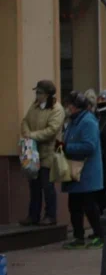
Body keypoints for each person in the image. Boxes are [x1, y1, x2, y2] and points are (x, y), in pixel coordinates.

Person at [59, 91, 104, 249]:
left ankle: (100, 234)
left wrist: (67, 148)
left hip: (86, 172)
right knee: (75, 206)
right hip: (76, 171)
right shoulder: (74, 121)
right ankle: (79, 237)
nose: (66, 108)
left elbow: (89, 146)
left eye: (68, 105)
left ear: (75, 106)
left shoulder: (87, 122)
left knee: (89, 206)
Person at [19, 80, 64, 226]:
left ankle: (50, 216)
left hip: (49, 152)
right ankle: (33, 215)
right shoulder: (35, 106)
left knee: (47, 185)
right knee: (34, 185)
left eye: (39, 93)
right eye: (36, 92)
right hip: (33, 153)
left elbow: (51, 131)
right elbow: (25, 121)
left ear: (47, 95)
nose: (37, 95)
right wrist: (27, 133)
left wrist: (32, 135)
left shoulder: (57, 109)